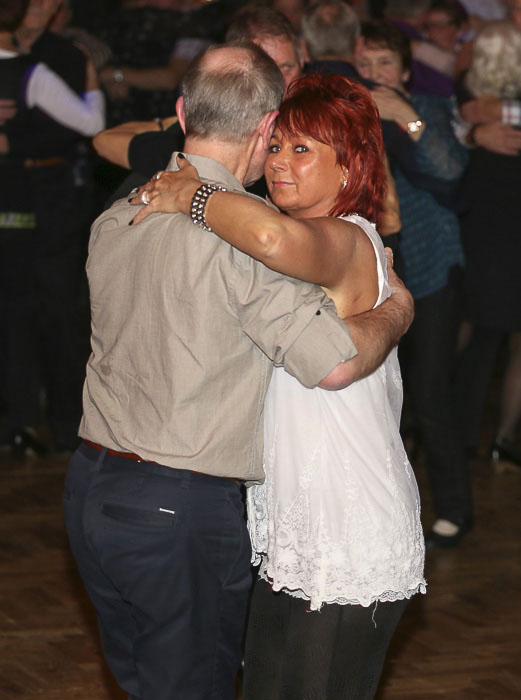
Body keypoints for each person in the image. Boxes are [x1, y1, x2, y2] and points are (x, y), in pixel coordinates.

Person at [64, 43, 414, 700]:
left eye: (301, 149)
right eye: (278, 143)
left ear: (179, 112)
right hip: (180, 510)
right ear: (263, 127)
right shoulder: (244, 244)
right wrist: (399, 308)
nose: (279, 160)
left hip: (92, 493)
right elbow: (335, 361)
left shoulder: (119, 216)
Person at [355, 19, 472, 547]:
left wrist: (408, 118)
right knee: (381, 399)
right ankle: (389, 515)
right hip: (373, 271)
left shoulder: (429, 107)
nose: (374, 74)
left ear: (404, 70)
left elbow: (451, 169)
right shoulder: (351, 114)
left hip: (432, 265)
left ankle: (455, 509)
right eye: (364, 64)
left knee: (429, 393)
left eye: (384, 63)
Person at [0, 0, 104, 454]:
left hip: (50, 197)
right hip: (15, 196)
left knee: (56, 309)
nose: (41, 6)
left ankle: (62, 424)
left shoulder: (58, 57)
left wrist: (13, 138)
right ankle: (19, 421)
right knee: (14, 309)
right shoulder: (31, 65)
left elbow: (84, 128)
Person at [453, 20, 521, 471]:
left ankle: (458, 437)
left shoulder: (471, 96)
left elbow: (451, 123)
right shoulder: (470, 103)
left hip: (485, 220)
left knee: (476, 330)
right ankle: (498, 442)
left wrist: (479, 124)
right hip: (492, 221)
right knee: (488, 333)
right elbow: (448, 125)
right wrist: (474, 129)